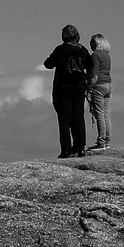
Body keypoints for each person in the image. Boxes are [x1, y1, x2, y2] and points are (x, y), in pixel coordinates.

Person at [42, 24, 92, 158]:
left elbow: (48, 64)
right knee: (78, 117)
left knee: (64, 119)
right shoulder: (83, 50)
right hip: (79, 87)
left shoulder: (60, 50)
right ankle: (80, 148)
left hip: (62, 88)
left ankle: (65, 149)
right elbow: (90, 64)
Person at [86, 33, 112, 151]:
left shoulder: (95, 55)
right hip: (108, 84)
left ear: (96, 43)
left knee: (99, 114)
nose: (89, 44)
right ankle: (107, 140)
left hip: (98, 85)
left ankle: (101, 141)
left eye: (91, 42)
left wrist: (89, 88)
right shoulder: (107, 56)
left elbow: (94, 75)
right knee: (106, 113)